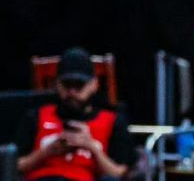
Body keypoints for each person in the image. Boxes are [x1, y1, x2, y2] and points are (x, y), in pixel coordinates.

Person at [15, 47, 134, 181]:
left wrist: (91, 148)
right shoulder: (36, 116)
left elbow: (119, 173)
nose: (72, 92)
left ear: (94, 85)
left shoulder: (113, 121)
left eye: (79, 85)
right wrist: (47, 152)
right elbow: (14, 166)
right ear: (56, 84)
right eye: (66, 85)